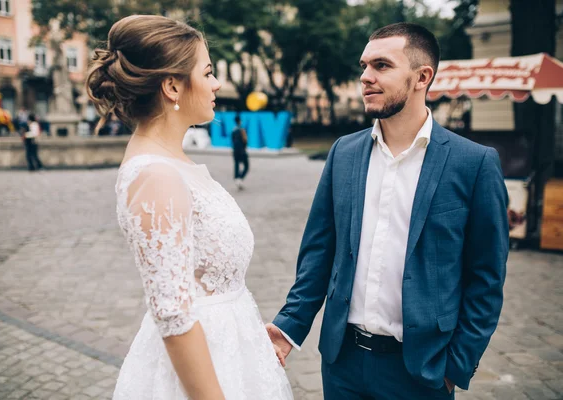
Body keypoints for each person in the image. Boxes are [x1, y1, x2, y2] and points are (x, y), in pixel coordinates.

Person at [266, 22, 509, 399]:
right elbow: (318, 254)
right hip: (342, 363)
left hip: (421, 371)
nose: (366, 77)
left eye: (381, 66)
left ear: (421, 77)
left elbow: (486, 278)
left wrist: (456, 366)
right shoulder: (343, 153)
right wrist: (288, 327)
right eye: (364, 66)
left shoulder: (473, 163)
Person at [86, 15, 293, 400]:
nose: (216, 84)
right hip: (204, 373)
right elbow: (173, 315)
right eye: (208, 72)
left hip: (232, 348)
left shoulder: (172, 162)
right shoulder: (156, 175)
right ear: (171, 86)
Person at [231, 115, 249, 190]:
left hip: (235, 151)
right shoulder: (242, 130)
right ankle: (240, 178)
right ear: (240, 121)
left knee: (236, 164)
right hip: (242, 151)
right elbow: (245, 141)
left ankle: (237, 178)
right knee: (246, 166)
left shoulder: (233, 130)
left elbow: (232, 141)